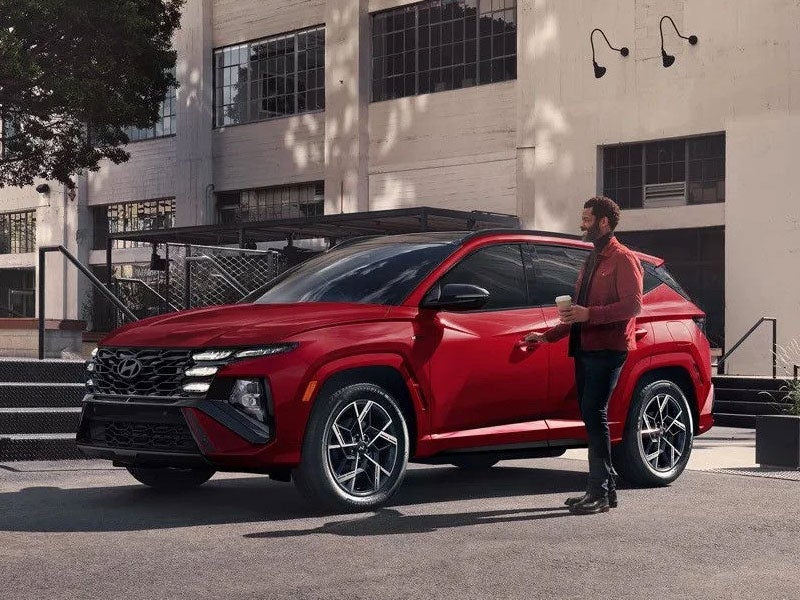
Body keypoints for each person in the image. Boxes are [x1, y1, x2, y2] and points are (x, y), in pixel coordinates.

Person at [525, 196, 643, 515]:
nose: (582, 224)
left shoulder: (623, 257)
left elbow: (633, 306)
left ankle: (600, 491)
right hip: (584, 348)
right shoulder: (591, 260)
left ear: (604, 222)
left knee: (595, 415)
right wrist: (545, 336)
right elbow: (576, 314)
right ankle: (605, 489)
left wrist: (589, 314)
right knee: (591, 417)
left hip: (608, 349)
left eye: (587, 219)